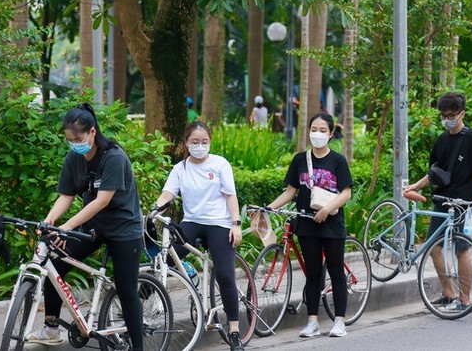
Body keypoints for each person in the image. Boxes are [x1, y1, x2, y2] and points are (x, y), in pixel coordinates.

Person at [26, 103, 145, 350]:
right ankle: (50, 329)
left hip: (124, 229)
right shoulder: (74, 157)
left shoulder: (114, 157)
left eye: (78, 138)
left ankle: (138, 346)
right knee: (54, 266)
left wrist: (67, 226)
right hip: (93, 227)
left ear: (92, 132)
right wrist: (50, 222)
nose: (74, 144)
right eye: (69, 140)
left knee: (126, 289)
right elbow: (66, 195)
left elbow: (102, 200)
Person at [153, 120, 245, 351]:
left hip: (219, 224)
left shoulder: (220, 164)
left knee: (224, 275)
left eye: (204, 142)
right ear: (186, 143)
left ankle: (234, 330)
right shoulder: (180, 168)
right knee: (161, 258)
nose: (200, 146)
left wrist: (236, 224)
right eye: (195, 142)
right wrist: (155, 209)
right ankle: (135, 306)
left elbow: (230, 196)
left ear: (210, 142)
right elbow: (167, 193)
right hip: (191, 222)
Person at [405, 91, 472, 312]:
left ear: (462, 113)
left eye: (451, 114)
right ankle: (448, 293)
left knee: (461, 250)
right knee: (433, 248)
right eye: (443, 115)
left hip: (464, 204)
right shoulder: (442, 140)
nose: (447, 119)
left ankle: (464, 300)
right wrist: (416, 185)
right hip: (442, 202)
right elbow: (435, 172)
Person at [266, 113, 353, 338]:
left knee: (335, 272)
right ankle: (312, 321)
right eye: (314, 129)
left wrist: (326, 209)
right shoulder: (300, 160)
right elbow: (291, 191)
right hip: (306, 224)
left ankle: (339, 322)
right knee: (313, 274)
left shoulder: (338, 161)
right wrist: (268, 207)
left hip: (332, 224)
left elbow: (346, 192)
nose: (317, 134)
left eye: (323, 130)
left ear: (331, 134)